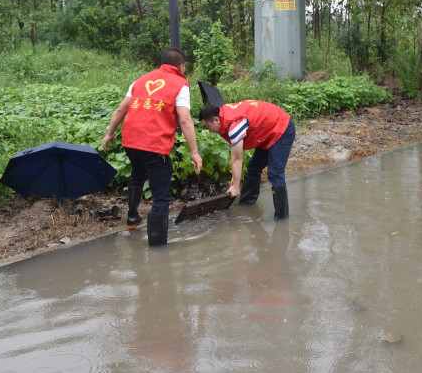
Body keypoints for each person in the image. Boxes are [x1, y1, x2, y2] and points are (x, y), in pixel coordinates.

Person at [102, 48, 202, 246]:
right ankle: (157, 248)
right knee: (161, 196)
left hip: (131, 142)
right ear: (182, 66)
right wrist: (194, 152)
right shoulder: (180, 84)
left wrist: (110, 133)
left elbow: (122, 108)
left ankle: (132, 218)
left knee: (137, 174)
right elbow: (185, 119)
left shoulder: (140, 80)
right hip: (155, 145)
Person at [198, 101, 295, 220]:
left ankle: (282, 219)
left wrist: (236, 186)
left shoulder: (235, 125)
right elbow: (237, 153)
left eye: (207, 126)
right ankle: (246, 206)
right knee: (253, 168)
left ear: (216, 119)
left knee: (275, 173)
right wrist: (235, 177)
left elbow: (237, 159)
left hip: (281, 128)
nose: (209, 130)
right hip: (266, 131)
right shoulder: (225, 116)